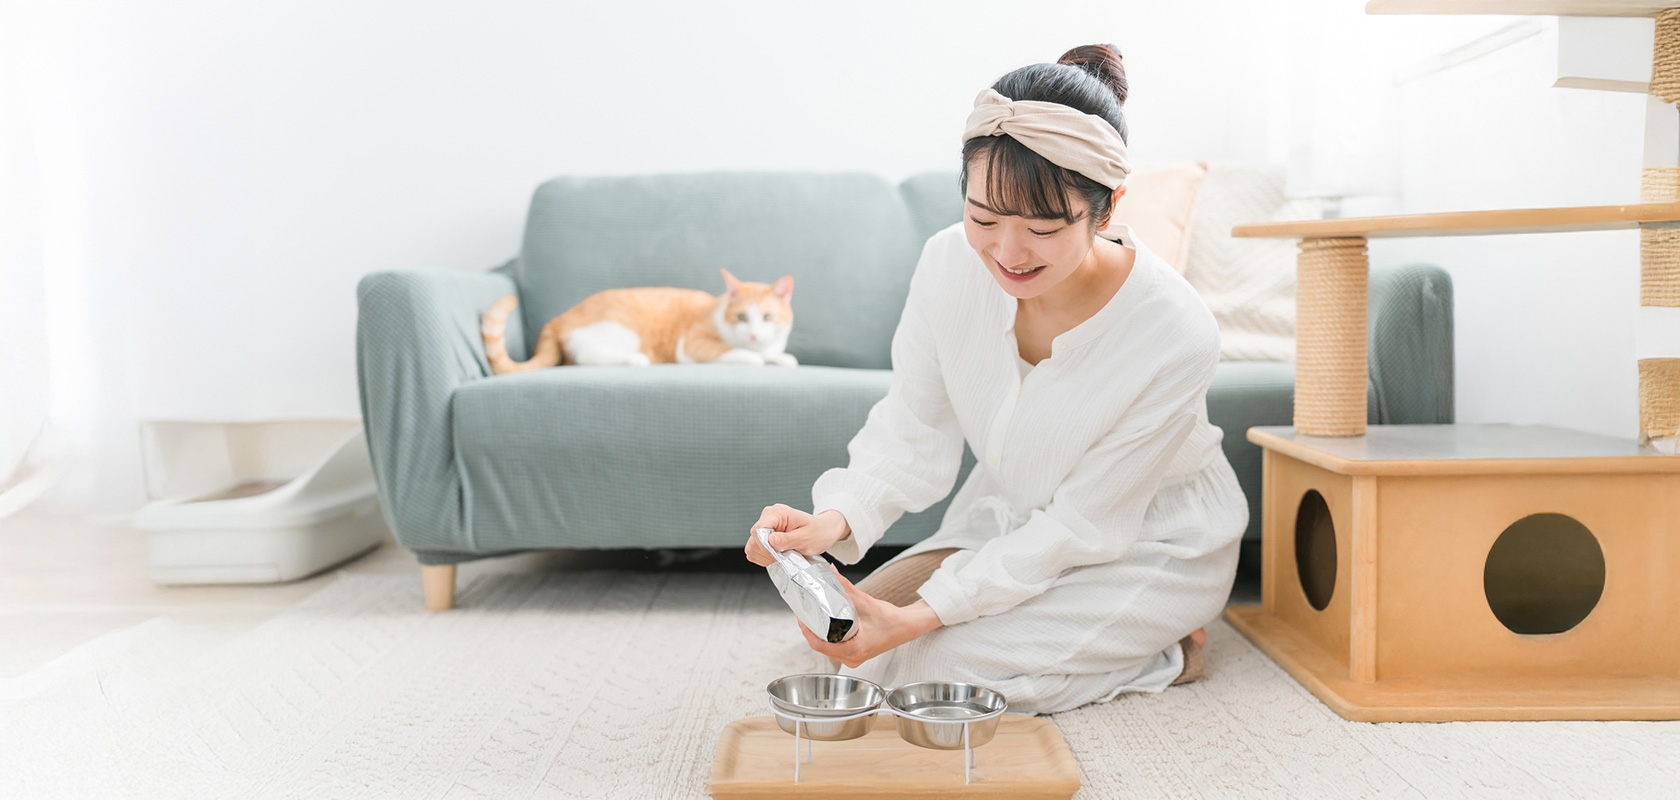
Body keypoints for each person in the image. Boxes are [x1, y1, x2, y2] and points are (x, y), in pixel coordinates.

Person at [743, 43, 1248, 716]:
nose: (1007, 252)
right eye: (983, 218)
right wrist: (828, 523)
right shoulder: (948, 265)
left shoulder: (1174, 332)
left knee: (932, 670)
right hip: (1011, 516)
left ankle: (1169, 647)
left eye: (1042, 228)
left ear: (1107, 209)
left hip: (1147, 538)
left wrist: (926, 618)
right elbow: (912, 427)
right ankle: (1014, 624)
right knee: (841, 641)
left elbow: (1082, 522)